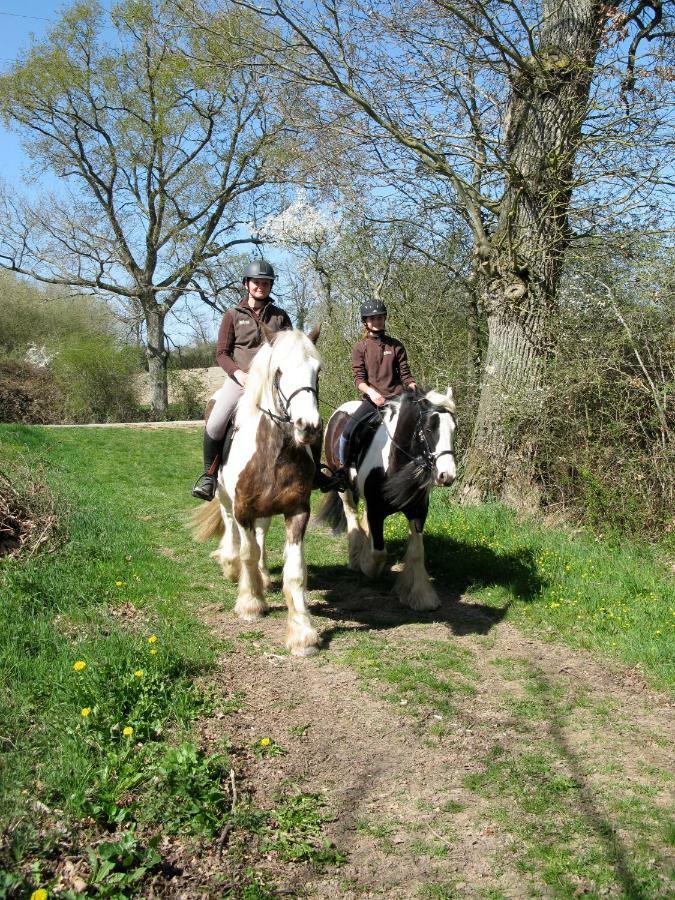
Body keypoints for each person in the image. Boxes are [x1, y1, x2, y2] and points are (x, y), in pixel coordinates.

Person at [191, 259, 291, 501]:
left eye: (266, 283)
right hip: (240, 381)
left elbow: (290, 349)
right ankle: (209, 476)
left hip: (272, 383)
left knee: (305, 418)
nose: (261, 286)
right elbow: (222, 354)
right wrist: (239, 374)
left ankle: (310, 473)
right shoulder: (232, 315)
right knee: (215, 423)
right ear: (247, 284)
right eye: (257, 282)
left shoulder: (280, 317)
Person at [325, 298, 417, 491]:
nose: (377, 321)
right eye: (372, 318)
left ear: (385, 319)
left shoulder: (396, 346)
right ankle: (342, 471)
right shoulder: (360, 348)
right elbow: (359, 380)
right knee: (348, 431)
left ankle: (423, 469)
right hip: (373, 401)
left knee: (423, 426)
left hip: (398, 400)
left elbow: (406, 375)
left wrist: (413, 385)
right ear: (365, 322)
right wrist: (372, 393)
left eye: (380, 317)